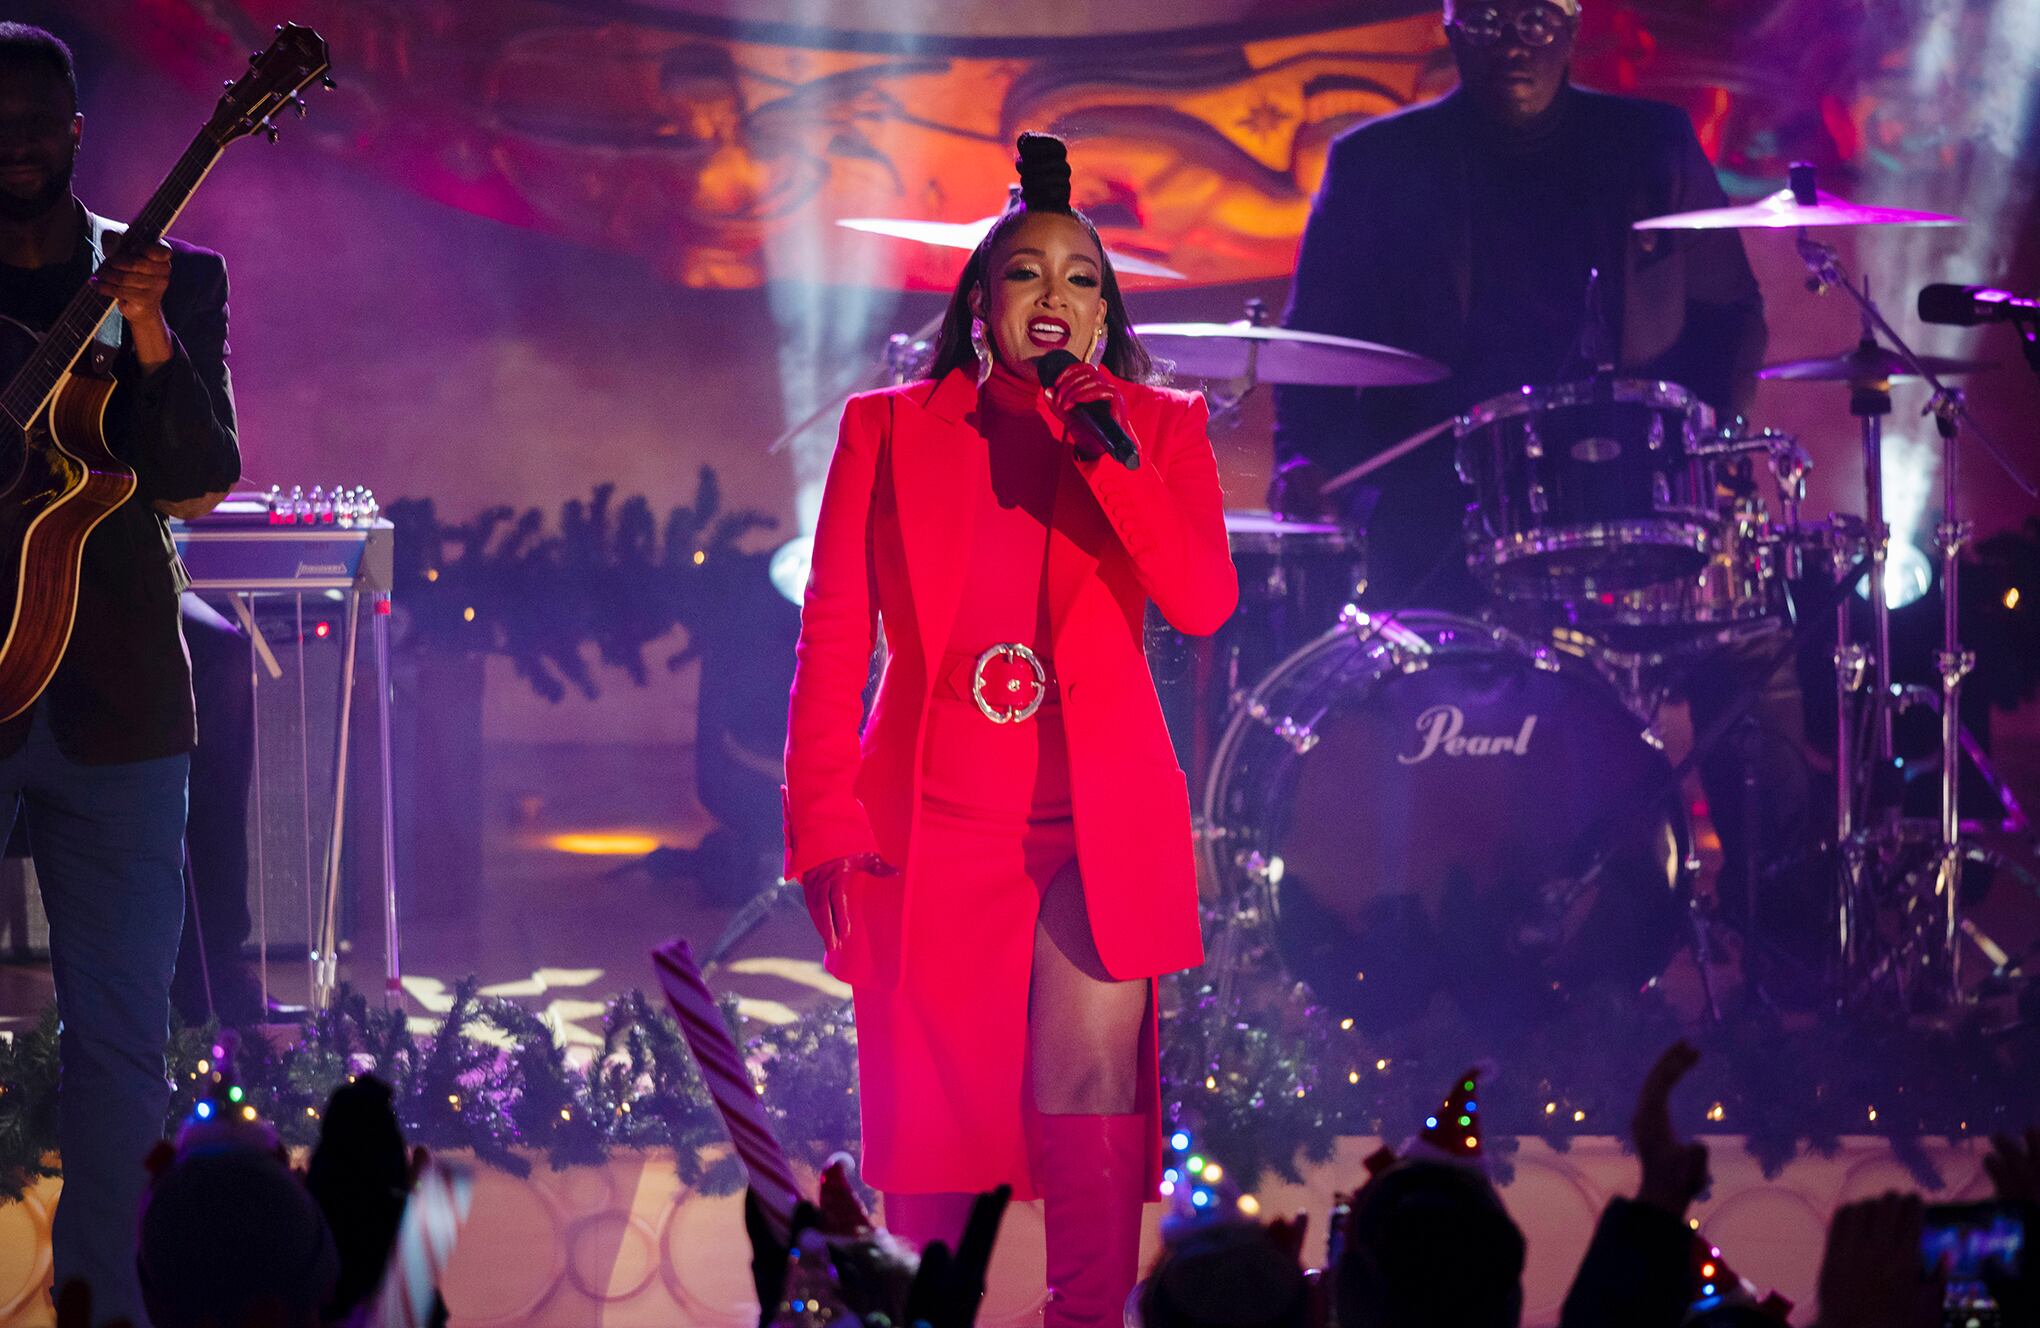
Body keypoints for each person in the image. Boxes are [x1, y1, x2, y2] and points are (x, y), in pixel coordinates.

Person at [782, 131, 1236, 1328]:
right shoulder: (887, 428)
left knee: (1089, 1088)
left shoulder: (1161, 425)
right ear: (982, 302)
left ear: (1104, 311)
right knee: (940, 1113)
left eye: (1082, 278)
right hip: (928, 818)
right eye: (1027, 272)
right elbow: (833, 638)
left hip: (1098, 816)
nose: (1056, 295)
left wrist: (1107, 448)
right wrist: (820, 818)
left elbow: (1200, 601)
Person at [1269, 0, 1809, 969]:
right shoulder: (1377, 164)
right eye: (1488, 15)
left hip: (1636, 510)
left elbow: (1733, 313)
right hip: (1441, 527)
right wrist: (1330, 481)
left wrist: (1697, 449)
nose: (1515, 37)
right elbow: (1308, 363)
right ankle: (1421, 952)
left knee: (1755, 644)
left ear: (1573, 22)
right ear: (1447, 24)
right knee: (1418, 716)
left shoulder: (1650, 142)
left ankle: (1783, 954)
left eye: (1537, 13)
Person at [0, 22, 238, 1321]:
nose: (16, 142)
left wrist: (148, 336)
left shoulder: (168, 276)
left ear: (78, 128)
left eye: (38, 117)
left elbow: (198, 478)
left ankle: (101, 1302)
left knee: (118, 1046)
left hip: (119, 708)